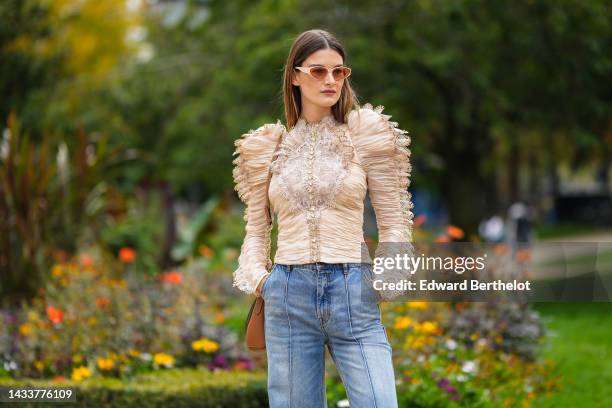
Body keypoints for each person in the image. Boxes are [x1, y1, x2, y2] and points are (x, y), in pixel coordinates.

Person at [232, 29, 415, 408]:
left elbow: (394, 221)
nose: (330, 80)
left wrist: (384, 281)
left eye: (338, 71)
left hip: (354, 289)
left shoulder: (365, 136)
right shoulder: (267, 148)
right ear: (295, 76)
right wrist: (263, 282)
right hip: (287, 292)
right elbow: (254, 231)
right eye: (318, 71)